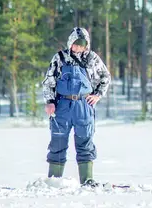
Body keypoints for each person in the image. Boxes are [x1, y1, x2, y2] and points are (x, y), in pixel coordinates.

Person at [42, 27, 111, 187]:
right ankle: (54, 181)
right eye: (76, 44)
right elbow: (49, 81)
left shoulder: (92, 58)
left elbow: (105, 77)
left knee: (84, 141)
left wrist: (98, 94)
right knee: (58, 140)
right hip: (62, 105)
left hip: (83, 105)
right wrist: (50, 101)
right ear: (70, 43)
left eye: (82, 45)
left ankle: (87, 180)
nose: (78, 48)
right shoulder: (59, 58)